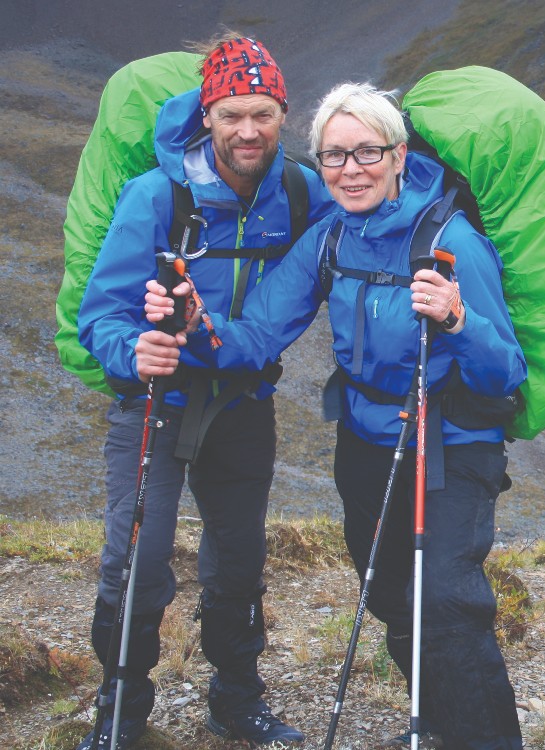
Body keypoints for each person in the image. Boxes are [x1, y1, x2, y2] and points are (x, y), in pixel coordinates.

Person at [142, 82, 527, 749]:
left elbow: (505, 373)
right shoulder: (329, 238)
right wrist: (200, 327)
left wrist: (458, 317)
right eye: (333, 157)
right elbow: (259, 334)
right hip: (364, 439)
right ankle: (442, 718)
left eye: (366, 153)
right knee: (389, 598)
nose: (350, 170)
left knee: (443, 600)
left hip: (448, 444)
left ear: (399, 155)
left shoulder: (450, 241)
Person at [75, 33, 334, 749]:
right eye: (230, 116)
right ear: (206, 116)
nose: (247, 131)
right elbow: (99, 314)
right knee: (138, 557)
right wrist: (135, 349)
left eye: (261, 114)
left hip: (243, 404)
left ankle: (236, 698)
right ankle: (120, 712)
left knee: (239, 558)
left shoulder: (301, 192)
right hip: (154, 403)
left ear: (283, 112)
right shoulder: (155, 194)